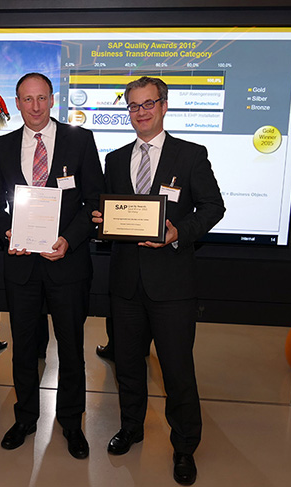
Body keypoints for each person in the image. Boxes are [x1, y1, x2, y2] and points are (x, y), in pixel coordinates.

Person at [92, 76, 225, 485]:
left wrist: (178, 232)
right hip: (126, 285)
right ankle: (131, 427)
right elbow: (113, 215)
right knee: (128, 366)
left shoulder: (190, 155)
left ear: (164, 106)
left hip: (172, 286)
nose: (141, 112)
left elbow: (213, 207)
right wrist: (102, 221)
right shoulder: (115, 159)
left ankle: (184, 446)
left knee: (177, 371)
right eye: (133, 106)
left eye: (148, 104)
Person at [0, 72, 105, 459]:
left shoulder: (79, 140)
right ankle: (25, 417)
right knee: (23, 348)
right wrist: (8, 233)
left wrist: (69, 239)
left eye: (41, 98)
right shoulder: (3, 145)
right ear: (16, 103)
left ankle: (71, 422)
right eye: (27, 99)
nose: (35, 106)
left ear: (53, 100)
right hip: (21, 266)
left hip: (67, 263)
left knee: (70, 347)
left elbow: (94, 200)